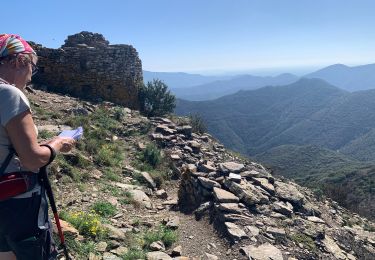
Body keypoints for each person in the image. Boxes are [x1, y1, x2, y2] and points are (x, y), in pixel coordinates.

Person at [0, 34, 76, 260]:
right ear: (18, 62)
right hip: (16, 204)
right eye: (33, 67)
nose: (32, 76)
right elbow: (32, 160)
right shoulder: (8, 93)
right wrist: (58, 142)